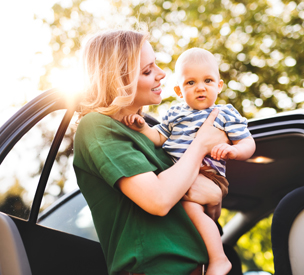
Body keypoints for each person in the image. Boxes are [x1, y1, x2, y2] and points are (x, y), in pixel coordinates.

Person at [73, 29, 230, 275]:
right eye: (147, 70)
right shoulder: (96, 126)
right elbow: (158, 200)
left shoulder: (151, 131)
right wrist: (202, 144)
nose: (161, 74)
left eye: (155, 65)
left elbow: (209, 202)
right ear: (118, 79)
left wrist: (211, 193)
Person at [122, 47, 256, 275]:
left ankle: (219, 259)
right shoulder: (174, 114)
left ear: (219, 85)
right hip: (182, 173)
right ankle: (202, 261)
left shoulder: (225, 114)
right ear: (178, 90)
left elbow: (248, 144)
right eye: (190, 83)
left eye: (208, 80)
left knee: (191, 210)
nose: (200, 87)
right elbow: (158, 138)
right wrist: (143, 126)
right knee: (186, 216)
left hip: (208, 173)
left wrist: (233, 151)